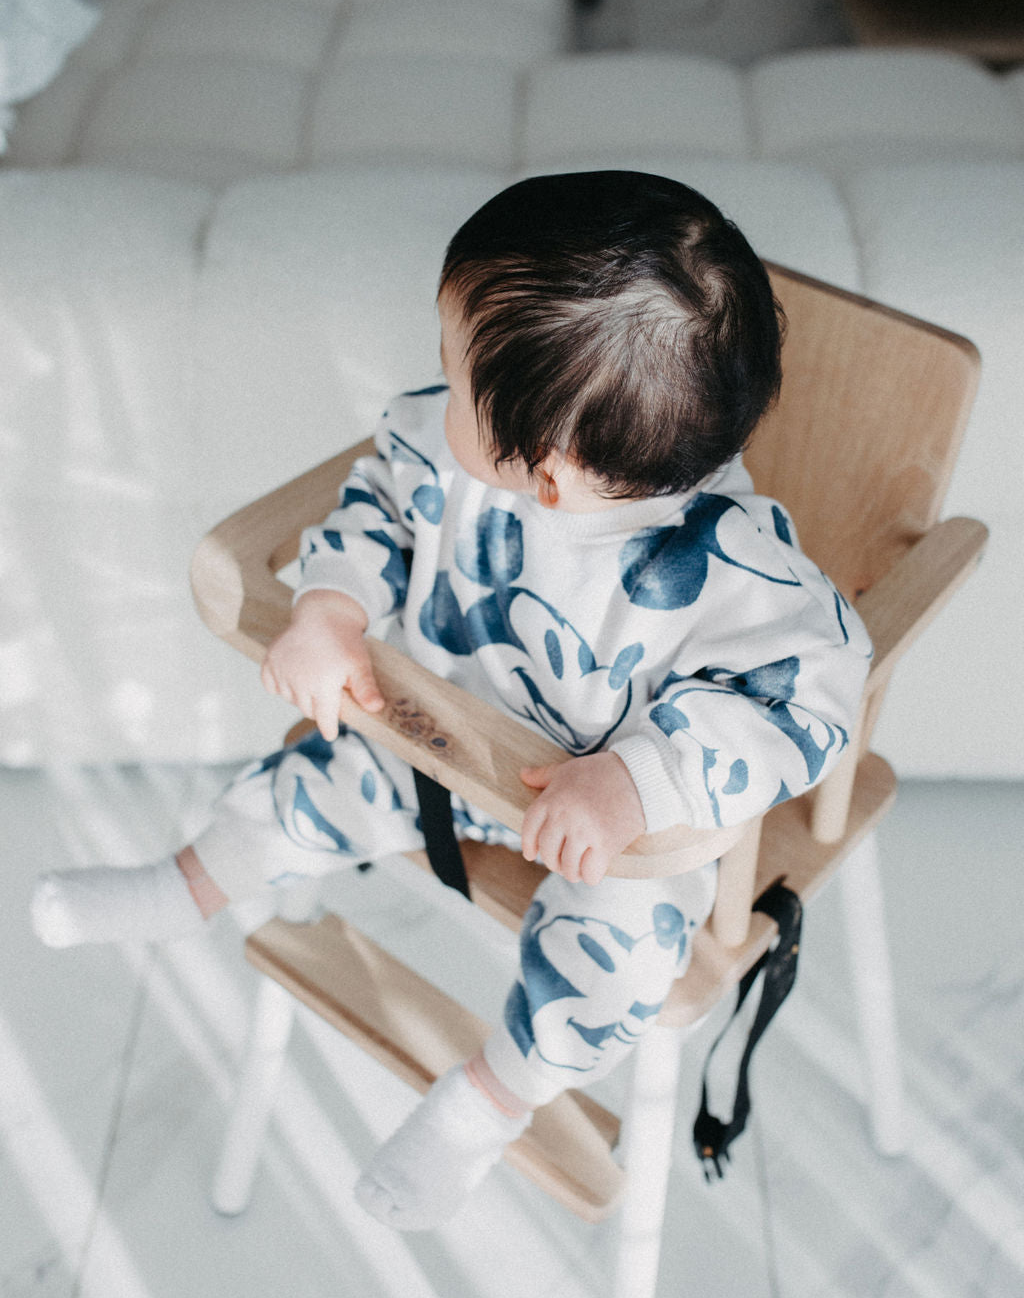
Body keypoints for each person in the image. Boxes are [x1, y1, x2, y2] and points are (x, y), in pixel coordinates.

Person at [33, 171, 871, 1229]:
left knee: (618, 969)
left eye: (452, 366)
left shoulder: (731, 573)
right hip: (438, 742)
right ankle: (191, 883)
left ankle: (488, 1102)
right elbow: (379, 496)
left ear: (549, 473)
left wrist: (636, 783)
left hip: (606, 836)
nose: (434, 381)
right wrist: (333, 606)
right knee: (304, 785)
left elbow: (813, 696)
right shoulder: (451, 443)